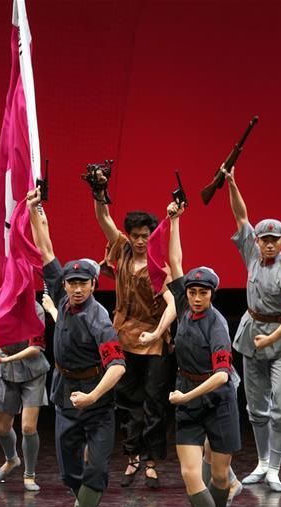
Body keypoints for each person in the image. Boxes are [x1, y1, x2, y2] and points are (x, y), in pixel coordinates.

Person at [27, 188, 126, 507]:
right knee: (69, 472)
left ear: (93, 284)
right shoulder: (61, 294)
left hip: (96, 400)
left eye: (84, 283)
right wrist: (35, 210)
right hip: (65, 392)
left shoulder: (100, 320)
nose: (77, 288)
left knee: (96, 468)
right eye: (72, 283)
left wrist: (93, 396)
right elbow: (46, 248)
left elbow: (117, 366)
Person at [163, 201, 239, 507]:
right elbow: (175, 261)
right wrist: (174, 221)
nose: (195, 298)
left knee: (220, 477)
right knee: (190, 473)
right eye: (192, 292)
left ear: (212, 294)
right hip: (187, 396)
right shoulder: (182, 305)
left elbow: (222, 375)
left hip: (217, 399)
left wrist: (185, 396)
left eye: (202, 293)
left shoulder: (217, 325)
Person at [225, 166, 281, 492]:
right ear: (257, 241)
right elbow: (241, 216)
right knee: (256, 408)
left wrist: (273, 337)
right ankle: (261, 462)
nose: (268, 245)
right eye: (264, 240)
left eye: (274, 240)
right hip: (251, 335)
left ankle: (274, 468)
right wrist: (232, 183)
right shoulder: (252, 253)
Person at [92, 169, 174, 488]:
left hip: (153, 340)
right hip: (124, 336)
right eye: (136, 235)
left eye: (145, 236)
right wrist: (100, 192)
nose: (140, 241)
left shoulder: (158, 264)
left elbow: (172, 304)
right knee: (127, 402)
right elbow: (104, 219)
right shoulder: (123, 250)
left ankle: (151, 460)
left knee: (154, 402)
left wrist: (157, 333)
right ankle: (132, 456)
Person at [0, 298, 49, 492]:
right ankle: (11, 459)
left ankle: (29, 474)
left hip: (32, 370)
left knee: (28, 427)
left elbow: (35, 348)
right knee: (2, 429)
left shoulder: (35, 309)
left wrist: (8, 358)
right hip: (5, 370)